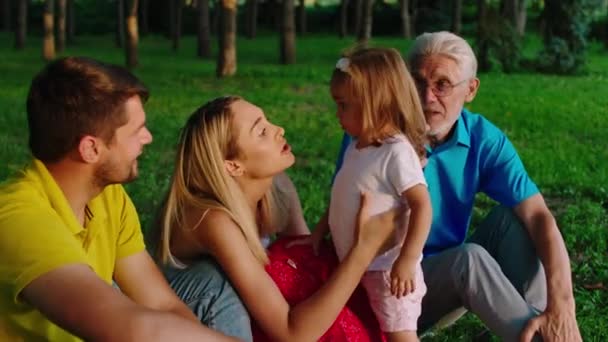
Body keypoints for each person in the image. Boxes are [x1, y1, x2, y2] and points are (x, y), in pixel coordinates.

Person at [335, 32, 582, 341]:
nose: (427, 98)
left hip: (444, 283)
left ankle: (536, 321)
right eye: (418, 82)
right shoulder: (373, 131)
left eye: (443, 85)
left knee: (513, 221)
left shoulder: (482, 137)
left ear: (471, 89)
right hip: (388, 288)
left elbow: (538, 216)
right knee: (468, 259)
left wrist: (562, 305)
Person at [0, 57, 240, 341]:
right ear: (91, 148)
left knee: (210, 282)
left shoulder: (108, 197)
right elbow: (131, 328)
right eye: (137, 130)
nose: (148, 138)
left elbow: (162, 304)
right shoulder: (18, 219)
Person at [154, 95, 397, 341]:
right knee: (225, 288)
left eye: (268, 121)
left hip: (242, 303)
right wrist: (363, 250)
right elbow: (290, 334)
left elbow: (307, 265)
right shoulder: (214, 220)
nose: (279, 130)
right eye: (261, 131)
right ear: (233, 166)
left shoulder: (277, 186)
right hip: (190, 306)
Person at [296, 47, 432, 342]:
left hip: (387, 270)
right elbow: (343, 193)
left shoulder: (395, 151)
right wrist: (320, 230)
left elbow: (421, 206)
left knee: (401, 335)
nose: (337, 114)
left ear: (376, 103)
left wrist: (407, 259)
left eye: (344, 105)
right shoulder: (357, 147)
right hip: (360, 265)